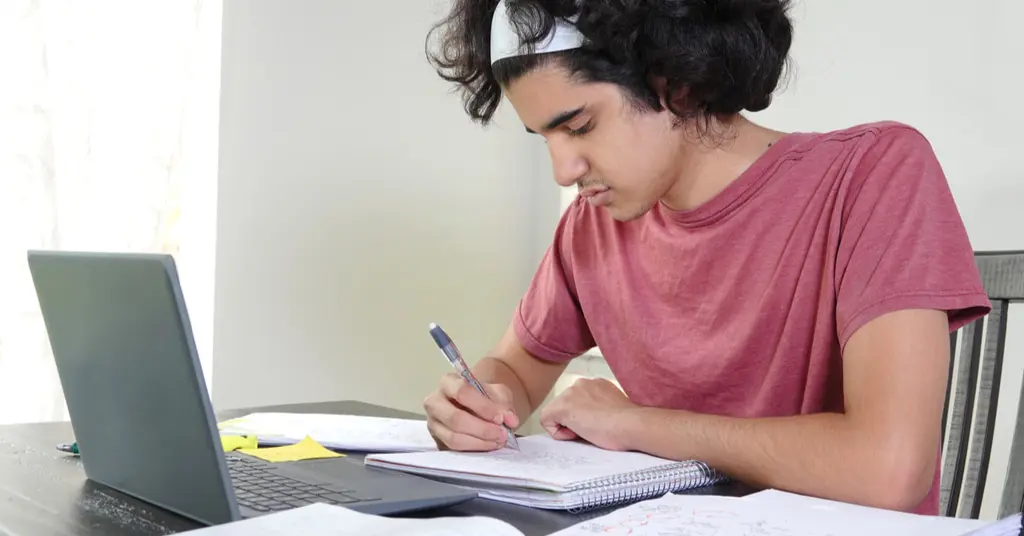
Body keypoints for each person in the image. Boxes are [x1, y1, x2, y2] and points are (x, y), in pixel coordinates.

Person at [420, 0, 991, 515]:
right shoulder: (590, 230)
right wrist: (479, 403)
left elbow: (888, 469)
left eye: (580, 127)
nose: (563, 170)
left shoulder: (873, 175)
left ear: (678, 86)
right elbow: (513, 372)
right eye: (543, 139)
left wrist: (639, 425)